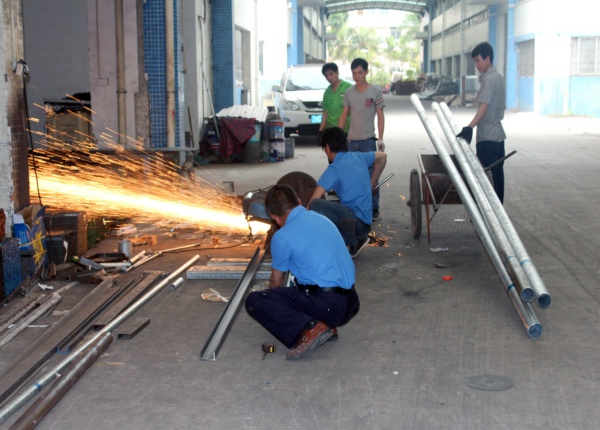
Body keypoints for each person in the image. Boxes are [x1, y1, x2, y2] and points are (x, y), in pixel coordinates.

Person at [245, 184, 360, 360]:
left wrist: (276, 306)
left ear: (275, 217)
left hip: (328, 306)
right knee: (302, 288)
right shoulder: (322, 218)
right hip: (351, 302)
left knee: (255, 300)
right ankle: (325, 325)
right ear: (298, 202)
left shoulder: (283, 236)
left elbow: (276, 283)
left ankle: (311, 328)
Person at [308, 127, 387, 257]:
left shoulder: (334, 169)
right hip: (365, 223)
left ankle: (352, 240)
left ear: (327, 148)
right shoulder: (359, 156)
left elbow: (312, 203)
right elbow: (383, 157)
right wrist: (373, 181)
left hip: (354, 224)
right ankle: (356, 240)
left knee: (316, 205)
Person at [456, 42, 507, 203]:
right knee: (497, 178)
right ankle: (498, 217)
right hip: (498, 137)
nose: (476, 65)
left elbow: (484, 106)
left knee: (486, 181)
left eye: (478, 60)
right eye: (474, 61)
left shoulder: (489, 80)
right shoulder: (499, 77)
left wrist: (469, 127)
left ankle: (488, 218)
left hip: (488, 138)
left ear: (488, 58)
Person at [338, 58, 386, 220]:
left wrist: (380, 138)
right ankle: (354, 208)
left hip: (368, 141)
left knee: (371, 176)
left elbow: (380, 115)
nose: (356, 76)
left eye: (360, 72)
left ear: (366, 72)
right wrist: (338, 136)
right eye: (354, 73)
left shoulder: (375, 92)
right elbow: (344, 114)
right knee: (352, 176)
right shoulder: (349, 93)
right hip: (351, 141)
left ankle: (374, 208)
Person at [317, 63, 352, 144]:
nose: (329, 78)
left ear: (337, 72)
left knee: (344, 156)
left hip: (344, 131)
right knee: (332, 156)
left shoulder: (348, 87)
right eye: (326, 76)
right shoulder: (327, 92)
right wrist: (320, 131)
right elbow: (325, 113)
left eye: (331, 74)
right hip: (330, 132)